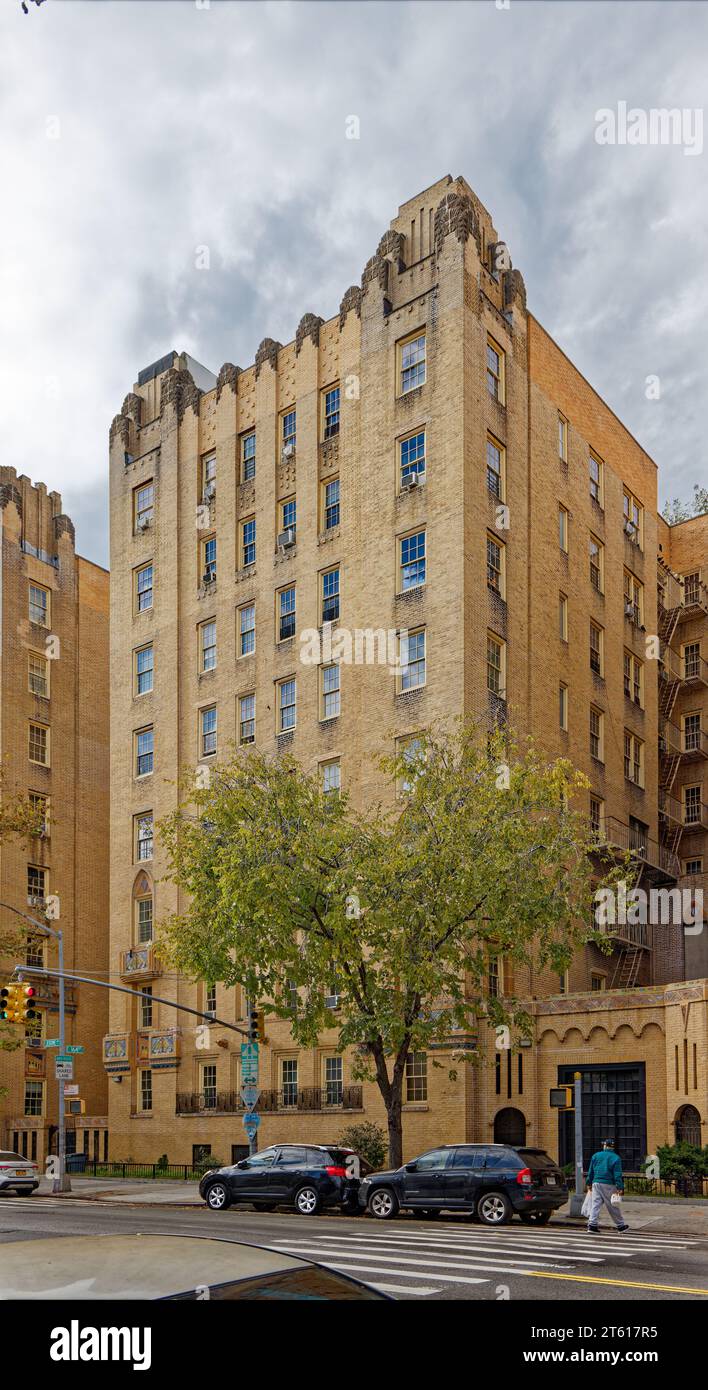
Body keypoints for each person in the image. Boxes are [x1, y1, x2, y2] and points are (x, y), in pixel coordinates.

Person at [586, 1139, 628, 1232]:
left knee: (595, 1205)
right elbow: (617, 1174)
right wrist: (620, 1187)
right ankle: (620, 1226)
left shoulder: (595, 1156)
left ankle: (592, 1225)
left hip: (596, 1183)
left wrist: (589, 1183)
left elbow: (590, 1171)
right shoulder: (616, 1158)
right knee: (613, 1205)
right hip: (609, 1183)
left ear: (605, 1146)